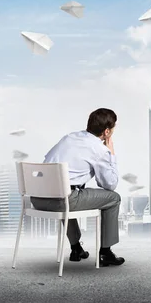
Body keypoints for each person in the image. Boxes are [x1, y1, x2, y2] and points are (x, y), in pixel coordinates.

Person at [30, 108, 125, 266]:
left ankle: (76, 248)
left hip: (38, 199)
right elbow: (109, 184)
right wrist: (111, 154)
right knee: (114, 199)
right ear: (107, 131)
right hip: (62, 200)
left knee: (64, 191)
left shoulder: (69, 137)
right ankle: (105, 252)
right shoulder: (100, 150)